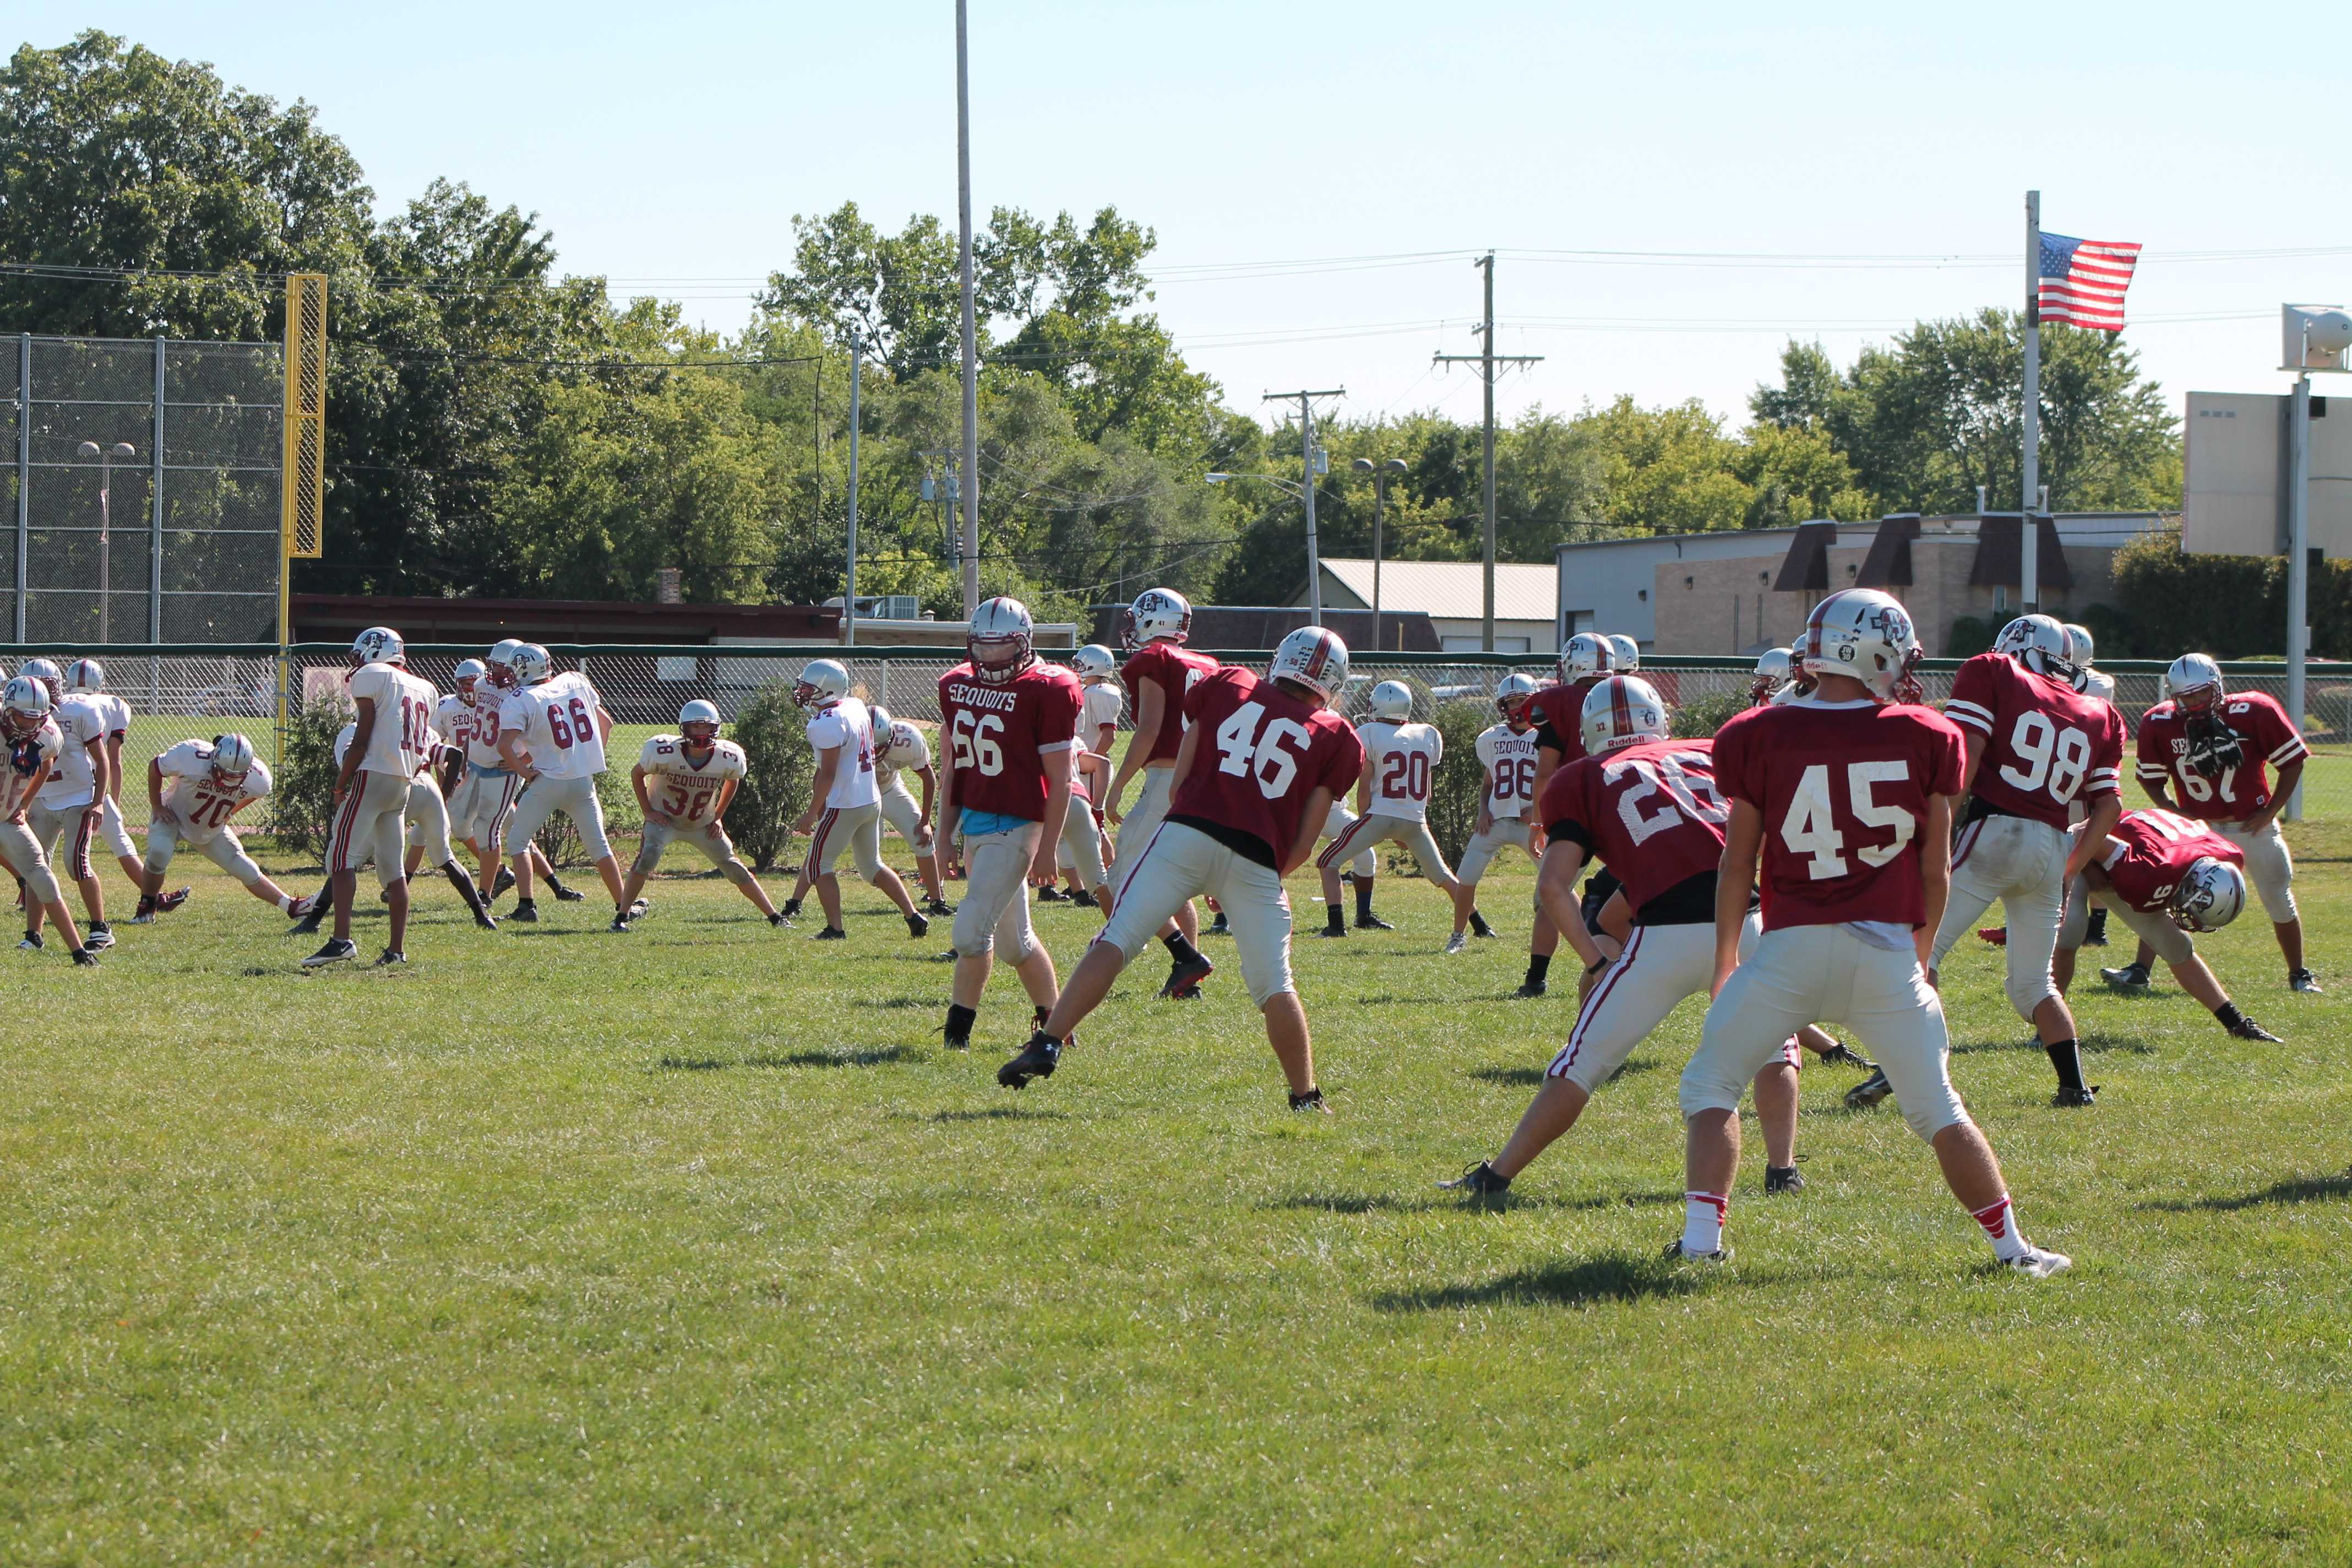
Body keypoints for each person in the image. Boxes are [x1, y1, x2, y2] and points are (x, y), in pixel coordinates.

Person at [1674, 588, 2069, 1275]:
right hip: (1886, 951)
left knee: (1712, 1085)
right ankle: (2013, 1251)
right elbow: (1936, 870)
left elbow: (1738, 863)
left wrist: (1725, 958)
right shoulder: (1929, 732)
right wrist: (1917, 954)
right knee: (1938, 1108)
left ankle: (1702, 1244)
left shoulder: (1752, 733)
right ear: (1879, 653)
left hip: (1789, 950)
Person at [1442, 674, 1810, 1198]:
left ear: (1591, 731)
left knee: (1580, 1064)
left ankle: (1496, 1176)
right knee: (1774, 1047)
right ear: (1658, 719)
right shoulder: (1708, 752)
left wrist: (1595, 960)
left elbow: (1553, 885)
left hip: (1662, 938)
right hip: (1744, 923)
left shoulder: (1583, 776)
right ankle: (1783, 1171)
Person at [998, 626, 1365, 1108]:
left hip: (1187, 831)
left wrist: (1198, 851)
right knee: (1275, 983)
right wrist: (1256, 874)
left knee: (1118, 937)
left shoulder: (1231, 683)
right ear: (1332, 683)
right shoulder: (1337, 735)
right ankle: (1306, 1097)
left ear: (1280, 660)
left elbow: (1179, 784)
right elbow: (1306, 836)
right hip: (1257, 859)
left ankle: (1048, 1042)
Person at [1906, 614, 2126, 1108]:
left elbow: (1969, 759)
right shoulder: (2101, 711)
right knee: (2035, 984)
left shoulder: (1993, 670)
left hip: (1995, 830)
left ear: (2017, 647)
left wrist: (1933, 835)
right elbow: (2109, 806)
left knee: (1920, 954)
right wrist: (2069, 870)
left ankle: (1912, 1073)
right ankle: (2075, 1087)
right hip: (2052, 844)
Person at [2117, 654, 2317, 993]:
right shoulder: (2160, 721)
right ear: (2174, 697)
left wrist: (2270, 811)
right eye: (2186, 697)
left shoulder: (2254, 710)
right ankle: (2140, 970)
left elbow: (2293, 762)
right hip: (2199, 831)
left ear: (2217, 687)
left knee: (2277, 896)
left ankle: (2300, 974)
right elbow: (2151, 780)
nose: (2195, 703)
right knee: (2165, 892)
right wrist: (2173, 812)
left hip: (2250, 826)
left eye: (2201, 694)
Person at [937, 597, 1084, 1053]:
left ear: (1023, 643)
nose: (990, 657)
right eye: (983, 647)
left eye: (1001, 648)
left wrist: (1047, 849)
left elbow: (1060, 781)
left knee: (969, 932)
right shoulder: (956, 683)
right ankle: (1058, 1029)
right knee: (1017, 944)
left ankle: (956, 1037)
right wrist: (945, 834)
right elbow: (953, 769)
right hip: (977, 820)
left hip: (1019, 823)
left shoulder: (1049, 687)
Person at [2052, 807, 2280, 1044]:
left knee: (2176, 945)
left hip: (2143, 856)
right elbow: (2080, 833)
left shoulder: (2229, 857)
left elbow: (2200, 823)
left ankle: (2237, 1024)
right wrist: (2087, 868)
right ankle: (2050, 1030)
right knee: (2071, 930)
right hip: (2080, 847)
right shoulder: (2149, 870)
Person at [1100, 588, 1219, 998]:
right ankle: (1187, 978)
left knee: (1118, 881)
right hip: (1201, 783)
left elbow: (1150, 729)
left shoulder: (1153, 659)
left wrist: (1117, 787)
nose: (1132, 628)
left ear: (1155, 621)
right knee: (1172, 880)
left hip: (1166, 782)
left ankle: (1185, 956)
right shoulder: (1207, 664)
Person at [308, 627, 435, 968]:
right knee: (394, 868)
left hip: (374, 776)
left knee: (340, 856)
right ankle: (396, 950)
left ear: (375, 651)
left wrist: (340, 784)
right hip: (405, 780)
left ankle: (340, 941)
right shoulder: (426, 687)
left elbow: (362, 739)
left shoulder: (373, 676)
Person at [494, 643, 633, 927]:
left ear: (523, 668)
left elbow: (504, 745)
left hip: (549, 782)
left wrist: (525, 771)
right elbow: (605, 722)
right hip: (583, 781)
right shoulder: (574, 679)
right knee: (599, 846)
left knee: (518, 842)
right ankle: (623, 906)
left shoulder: (522, 698)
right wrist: (586, 757)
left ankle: (526, 906)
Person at [787, 659, 927, 940]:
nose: (803, 692)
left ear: (828, 691)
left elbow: (827, 773)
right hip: (870, 798)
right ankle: (914, 916)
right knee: (873, 865)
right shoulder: (854, 706)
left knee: (818, 865)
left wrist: (812, 812)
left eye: (809, 687)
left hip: (846, 803)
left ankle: (835, 929)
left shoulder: (824, 723)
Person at [617, 699, 785, 928]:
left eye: (706, 727)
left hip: (702, 823)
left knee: (734, 868)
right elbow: (637, 774)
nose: (701, 733)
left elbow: (732, 780)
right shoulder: (664, 752)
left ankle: (775, 917)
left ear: (715, 728)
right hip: (665, 819)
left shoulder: (727, 757)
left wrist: (718, 816)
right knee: (646, 859)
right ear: (684, 728)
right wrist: (648, 811)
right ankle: (621, 917)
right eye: (695, 727)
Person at [1517, 632, 1618, 997]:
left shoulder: (1560, 702)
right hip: (1626, 805)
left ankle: (1536, 979)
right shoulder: (1625, 694)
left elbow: (1545, 771)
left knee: (1552, 892)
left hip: (1578, 810)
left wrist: (1538, 822)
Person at [1314, 681, 1458, 933]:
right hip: (1414, 818)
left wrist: (1365, 822)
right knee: (1443, 875)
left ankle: (1336, 926)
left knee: (1328, 861)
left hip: (1379, 815)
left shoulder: (1368, 732)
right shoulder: (1427, 733)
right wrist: (1408, 829)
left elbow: (1364, 790)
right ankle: (1479, 924)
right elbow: (1427, 792)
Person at [134, 734, 313, 921]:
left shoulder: (258, 779)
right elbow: (155, 767)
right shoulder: (190, 756)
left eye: (235, 777)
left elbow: (255, 793)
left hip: (209, 828)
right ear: (214, 759)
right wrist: (157, 806)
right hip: (174, 814)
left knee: (246, 868)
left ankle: (292, 906)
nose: (228, 781)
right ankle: (147, 907)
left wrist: (232, 811)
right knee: (160, 852)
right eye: (225, 774)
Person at [0, 676, 96, 964]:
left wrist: (25, 803)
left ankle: (79, 952)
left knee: (42, 875)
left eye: (36, 719)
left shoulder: (49, 735)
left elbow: (46, 763)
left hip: (6, 817)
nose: (30, 726)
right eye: (22, 718)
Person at [1446, 672, 1544, 954]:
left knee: (1558, 878)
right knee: (1466, 877)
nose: (1516, 708)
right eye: (1510, 703)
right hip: (1496, 821)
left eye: (1521, 701)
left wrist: (1540, 813)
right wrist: (1482, 811)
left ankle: (1575, 928)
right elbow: (1489, 783)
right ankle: (1458, 935)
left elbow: (1554, 781)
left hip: (1532, 823)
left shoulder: (1546, 736)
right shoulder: (1491, 737)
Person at [23, 673, 114, 950]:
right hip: (42, 797)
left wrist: (98, 801)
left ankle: (100, 928)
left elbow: (101, 759)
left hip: (78, 796)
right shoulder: (17, 719)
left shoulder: (79, 711)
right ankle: (33, 936)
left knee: (76, 861)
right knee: (34, 866)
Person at [59, 660, 150, 903]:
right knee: (118, 842)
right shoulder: (115, 704)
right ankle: (153, 897)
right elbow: (113, 760)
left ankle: (31, 895)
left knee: (41, 847)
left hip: (55, 782)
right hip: (89, 786)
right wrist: (113, 801)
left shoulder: (60, 702)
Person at [869, 705, 954, 917]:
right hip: (859, 792)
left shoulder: (909, 739)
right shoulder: (849, 735)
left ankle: (937, 901)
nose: (876, 752)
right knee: (827, 842)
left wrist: (925, 821)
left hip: (890, 789)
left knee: (922, 839)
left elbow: (928, 777)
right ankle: (796, 902)